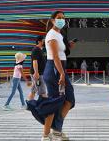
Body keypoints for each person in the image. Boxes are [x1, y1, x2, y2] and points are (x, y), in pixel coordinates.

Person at [27, 11, 75, 141]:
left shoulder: (59, 34)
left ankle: (56, 130)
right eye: (59, 18)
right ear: (53, 20)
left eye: (63, 18)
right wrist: (61, 74)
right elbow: (55, 56)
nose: (62, 20)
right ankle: (46, 135)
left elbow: (62, 53)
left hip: (60, 69)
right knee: (54, 103)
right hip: (54, 70)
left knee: (69, 99)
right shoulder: (51, 35)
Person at [28, 36, 47, 100]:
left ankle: (29, 105)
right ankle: (45, 106)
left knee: (33, 90)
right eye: (43, 41)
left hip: (39, 73)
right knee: (42, 91)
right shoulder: (35, 49)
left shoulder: (40, 50)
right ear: (39, 41)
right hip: (37, 73)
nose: (44, 42)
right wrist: (36, 73)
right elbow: (35, 61)